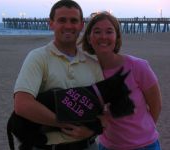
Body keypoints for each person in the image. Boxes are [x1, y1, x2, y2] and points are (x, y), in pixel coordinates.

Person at [13, 0, 105, 150]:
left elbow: (104, 109)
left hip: (88, 146)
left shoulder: (92, 64)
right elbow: (22, 104)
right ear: (51, 23)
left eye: (74, 21)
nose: (68, 26)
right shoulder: (38, 57)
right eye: (62, 20)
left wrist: (91, 129)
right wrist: (64, 123)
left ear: (81, 25)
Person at [79, 12, 162, 150]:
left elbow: (156, 106)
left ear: (117, 37)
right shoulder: (86, 71)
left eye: (109, 31)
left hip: (145, 145)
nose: (103, 36)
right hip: (108, 146)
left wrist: (141, 135)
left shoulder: (138, 66)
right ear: (89, 38)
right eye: (97, 31)